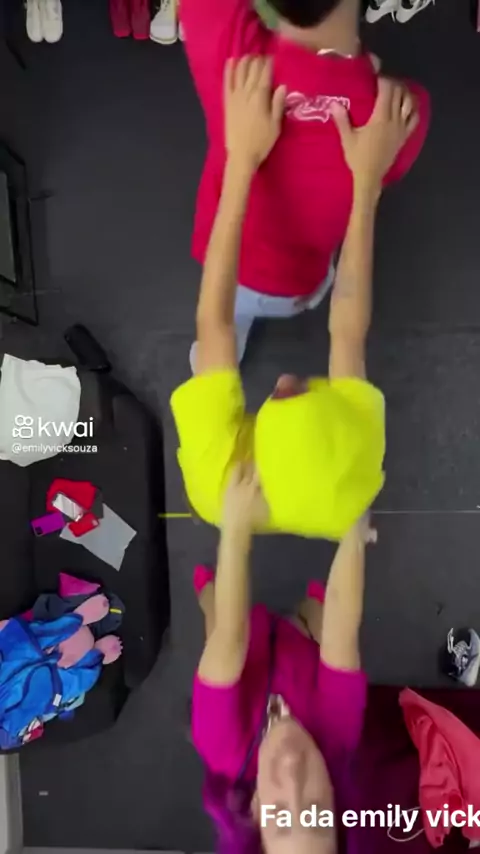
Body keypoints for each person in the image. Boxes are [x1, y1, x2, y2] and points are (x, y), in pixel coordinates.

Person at [171, 57, 418, 540]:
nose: (284, 378)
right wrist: (367, 183)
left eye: (278, 396)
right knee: (415, 106)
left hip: (228, 472)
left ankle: (217, 373)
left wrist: (242, 158)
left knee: (222, 336)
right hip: (327, 487)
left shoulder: (214, 483)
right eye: (302, 389)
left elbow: (214, 322)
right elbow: (348, 329)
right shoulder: (352, 476)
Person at [179, 0, 430, 366]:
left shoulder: (231, 51)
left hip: (227, 269)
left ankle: (219, 355)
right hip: (300, 286)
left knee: (225, 323)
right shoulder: (402, 111)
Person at [192, 462, 377, 854]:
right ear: (336, 803)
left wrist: (235, 528)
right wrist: (354, 536)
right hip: (299, 642)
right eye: (315, 809)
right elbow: (343, 630)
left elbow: (231, 635)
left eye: (280, 814)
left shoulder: (221, 745)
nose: (293, 770)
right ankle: (307, 606)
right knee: (325, 616)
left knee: (219, 624)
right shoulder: (339, 735)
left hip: (243, 647)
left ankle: (206, 592)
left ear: (254, 810)